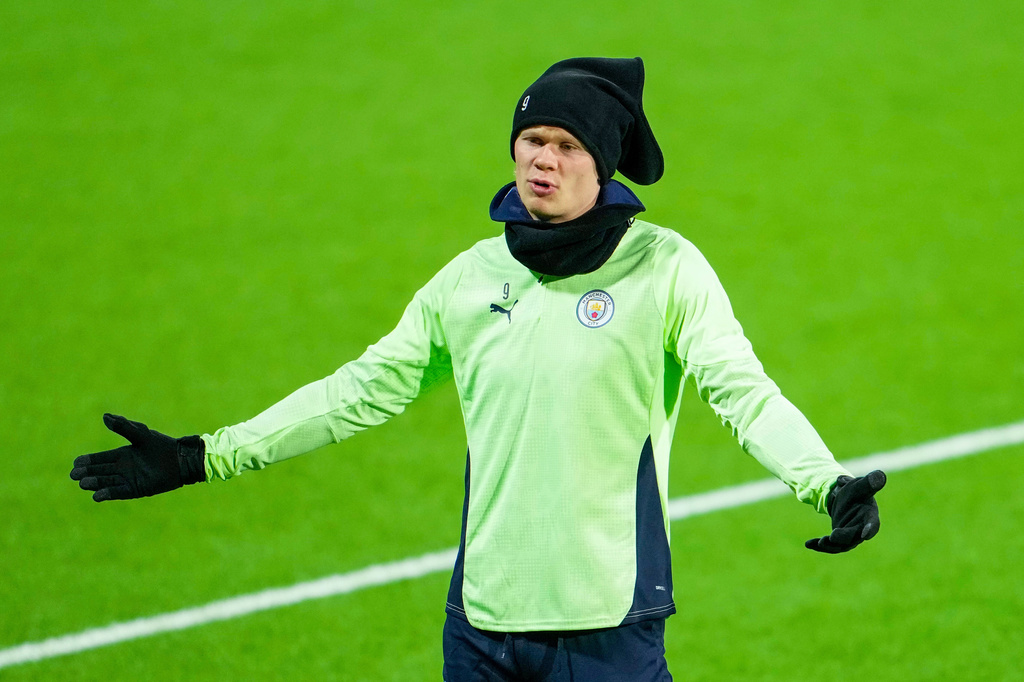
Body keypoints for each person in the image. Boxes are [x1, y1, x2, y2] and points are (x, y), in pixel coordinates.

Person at [71, 57, 886, 681]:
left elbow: (741, 391)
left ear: (603, 164)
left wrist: (825, 481)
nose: (544, 159)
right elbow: (361, 390)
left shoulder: (664, 270)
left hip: (606, 627)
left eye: (567, 146)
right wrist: (203, 455)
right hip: (481, 624)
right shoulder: (469, 278)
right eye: (533, 140)